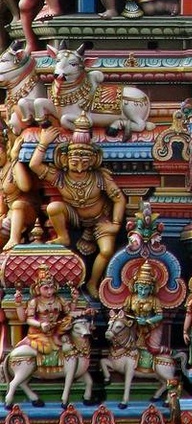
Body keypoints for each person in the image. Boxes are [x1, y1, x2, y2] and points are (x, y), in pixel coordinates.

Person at [29, 115, 126, 299]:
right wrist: (43, 143)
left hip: (100, 218)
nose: (80, 169)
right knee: (53, 207)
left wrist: (115, 224)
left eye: (84, 163)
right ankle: (63, 236)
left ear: (92, 161)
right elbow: (34, 165)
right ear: (65, 160)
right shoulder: (61, 177)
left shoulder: (99, 177)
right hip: (74, 215)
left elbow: (119, 198)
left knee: (106, 250)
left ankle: (92, 282)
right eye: (74, 163)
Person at [14, 263, 74, 361]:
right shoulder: (34, 302)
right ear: (38, 288)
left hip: (55, 331)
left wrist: (74, 300)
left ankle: (56, 340)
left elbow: (69, 312)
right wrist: (40, 324)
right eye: (45, 288)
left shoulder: (59, 300)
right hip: (38, 333)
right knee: (47, 349)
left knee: (69, 332)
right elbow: (28, 320)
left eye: (51, 287)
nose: (49, 291)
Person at [0, 125, 39, 249]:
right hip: (9, 213)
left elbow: (25, 186)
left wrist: (15, 157)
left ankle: (14, 239)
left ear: (6, 148)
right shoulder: (1, 171)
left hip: (25, 211)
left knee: (18, 205)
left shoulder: (13, 166)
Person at [123, 260, 165, 360]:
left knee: (153, 349)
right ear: (136, 287)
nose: (143, 292)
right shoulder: (130, 299)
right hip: (134, 324)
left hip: (152, 326)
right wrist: (130, 320)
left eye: (146, 289)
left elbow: (160, 316)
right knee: (127, 347)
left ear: (151, 289)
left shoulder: (154, 300)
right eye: (141, 288)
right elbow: (125, 312)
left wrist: (147, 321)